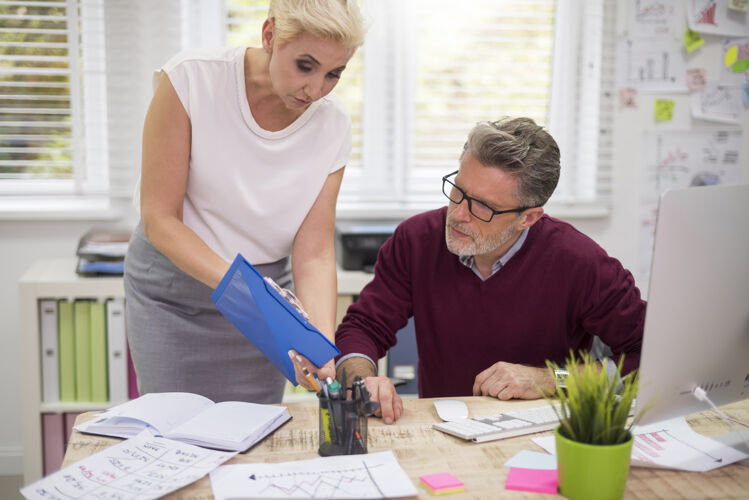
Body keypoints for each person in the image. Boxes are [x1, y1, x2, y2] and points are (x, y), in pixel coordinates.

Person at [124, 0, 366, 404]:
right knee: (176, 435)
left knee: (253, 437)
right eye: (305, 66)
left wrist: (319, 341)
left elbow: (315, 253)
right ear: (269, 35)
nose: (317, 89)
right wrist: (253, 299)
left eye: (334, 74)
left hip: (265, 301)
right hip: (174, 297)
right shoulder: (191, 79)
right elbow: (160, 219)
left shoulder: (333, 123)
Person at [334, 117, 646, 423]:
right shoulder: (416, 240)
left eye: (482, 206)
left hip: (544, 436)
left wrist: (550, 380)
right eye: (458, 190)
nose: (457, 214)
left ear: (528, 217)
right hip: (443, 429)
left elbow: (650, 357)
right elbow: (364, 327)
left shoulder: (580, 262)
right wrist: (362, 381)